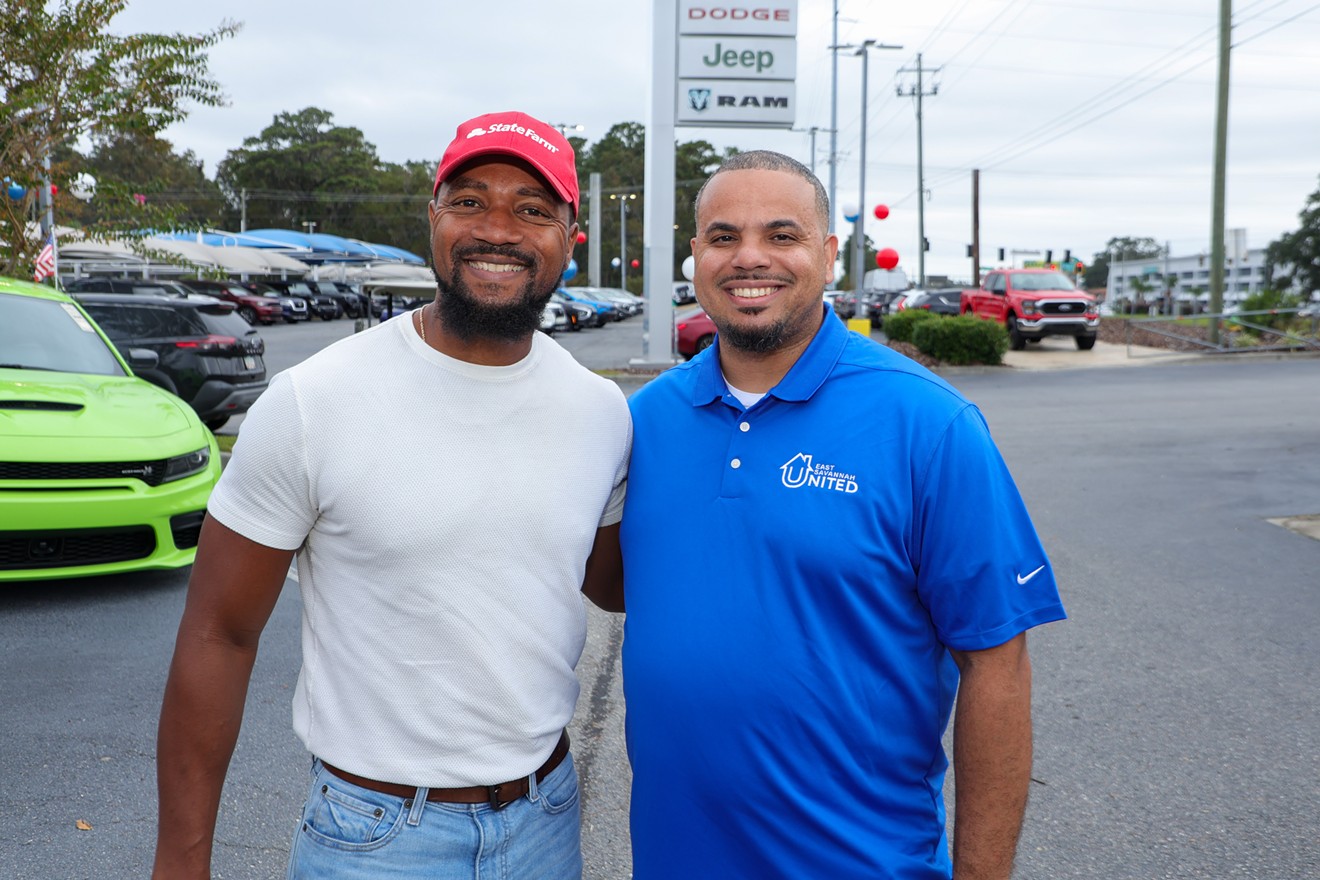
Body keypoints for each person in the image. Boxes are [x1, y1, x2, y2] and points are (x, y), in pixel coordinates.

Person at [152, 110, 631, 880]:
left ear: (569, 240)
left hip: (548, 819)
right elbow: (218, 633)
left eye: (533, 209)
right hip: (375, 839)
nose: (498, 229)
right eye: (470, 201)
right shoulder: (315, 402)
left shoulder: (601, 411)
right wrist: (181, 860)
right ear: (432, 218)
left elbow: (615, 585)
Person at [616, 151, 1066, 879]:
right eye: (724, 236)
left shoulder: (928, 422)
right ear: (695, 256)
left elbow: (997, 665)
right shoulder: (645, 422)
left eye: (782, 235)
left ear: (828, 256)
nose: (749, 257)